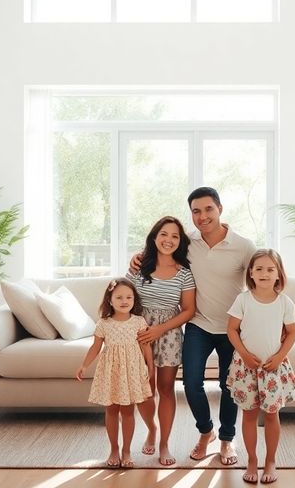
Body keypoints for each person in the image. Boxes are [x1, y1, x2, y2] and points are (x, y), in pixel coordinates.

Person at [131, 187, 256, 465]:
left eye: (208, 209)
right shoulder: (189, 243)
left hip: (233, 328)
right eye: (196, 211)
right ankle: (205, 432)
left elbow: (261, 277)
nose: (202, 216)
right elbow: (163, 246)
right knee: (190, 384)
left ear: (220, 209)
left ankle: (226, 440)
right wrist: (137, 256)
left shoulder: (244, 246)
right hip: (198, 325)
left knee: (229, 386)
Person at [126, 216, 197, 466]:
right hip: (139, 333)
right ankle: (151, 430)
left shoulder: (184, 272)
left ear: (181, 241)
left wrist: (160, 330)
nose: (169, 240)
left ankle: (164, 443)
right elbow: (125, 298)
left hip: (169, 334)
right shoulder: (138, 267)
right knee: (144, 389)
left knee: (166, 390)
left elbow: (188, 310)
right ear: (154, 237)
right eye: (164, 234)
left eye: (175, 236)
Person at [226, 249, 295, 484]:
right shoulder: (243, 299)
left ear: (278, 274)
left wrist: (279, 357)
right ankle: (251, 459)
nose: (264, 273)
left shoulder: (284, 302)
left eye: (270, 269)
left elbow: (292, 332)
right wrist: (245, 355)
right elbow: (231, 330)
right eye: (259, 269)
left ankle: (270, 460)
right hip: (246, 367)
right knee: (248, 415)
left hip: (273, 368)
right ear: (251, 273)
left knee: (271, 414)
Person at [75, 278, 155, 469]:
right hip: (111, 372)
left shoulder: (138, 321)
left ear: (134, 300)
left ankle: (126, 451)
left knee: (128, 411)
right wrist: (84, 365)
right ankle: (113, 449)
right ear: (110, 300)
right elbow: (95, 347)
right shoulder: (104, 323)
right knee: (111, 410)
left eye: (129, 297)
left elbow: (145, 346)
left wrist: (150, 366)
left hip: (132, 372)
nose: (124, 301)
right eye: (119, 297)